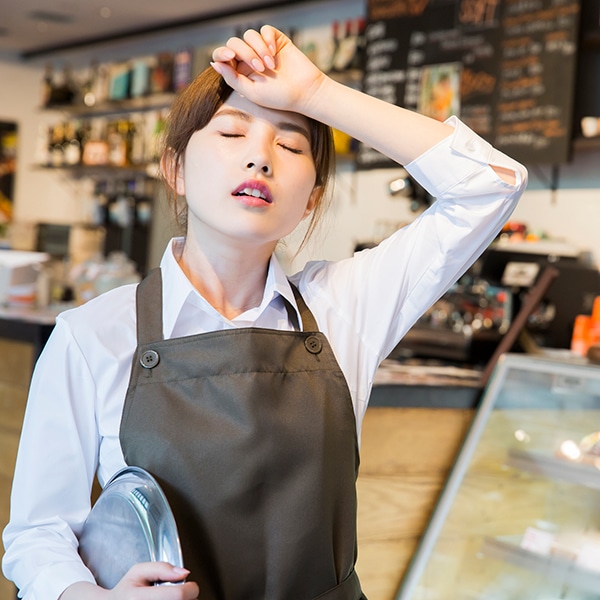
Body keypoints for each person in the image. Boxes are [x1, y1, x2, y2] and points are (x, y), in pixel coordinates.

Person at [2, 25, 527, 600]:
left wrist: (316, 94)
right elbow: (38, 533)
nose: (260, 157)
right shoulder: (92, 336)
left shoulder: (344, 307)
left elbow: (490, 184)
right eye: (231, 131)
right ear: (174, 169)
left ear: (313, 198)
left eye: (292, 143)